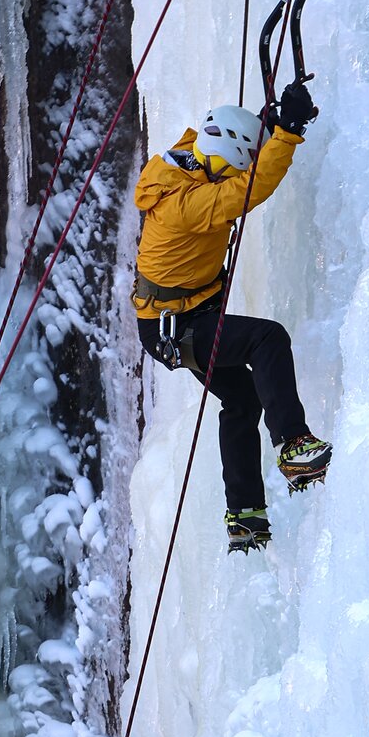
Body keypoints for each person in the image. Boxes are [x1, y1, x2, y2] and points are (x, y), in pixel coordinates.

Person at [133, 87, 332, 553]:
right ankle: (294, 444)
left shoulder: (185, 156)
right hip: (177, 328)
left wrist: (263, 129)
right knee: (267, 339)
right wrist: (289, 135)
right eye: (235, 164)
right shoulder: (186, 205)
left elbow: (229, 159)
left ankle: (245, 515)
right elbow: (246, 192)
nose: (237, 173)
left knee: (242, 399)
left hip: (179, 317)